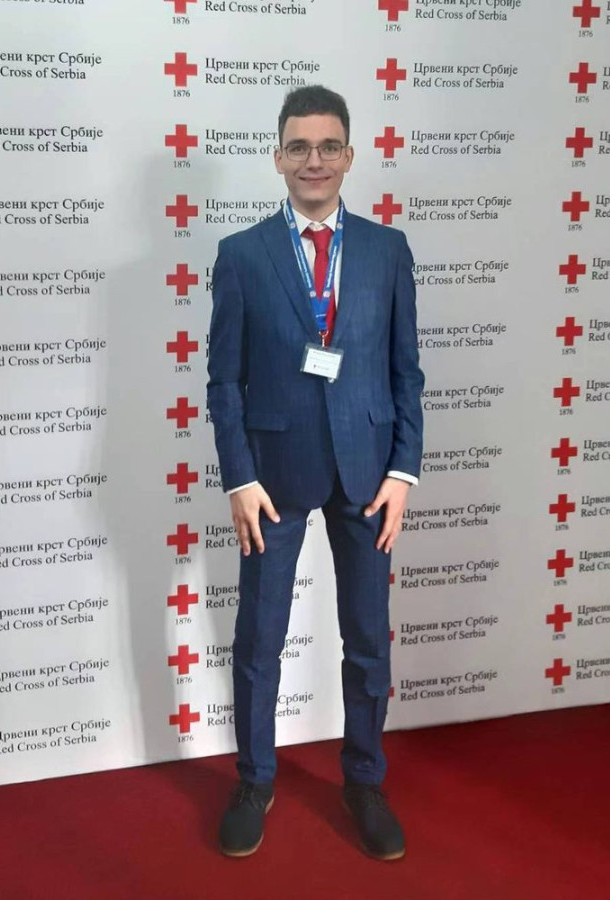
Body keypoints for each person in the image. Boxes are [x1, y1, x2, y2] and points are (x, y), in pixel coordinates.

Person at [207, 85, 424, 861]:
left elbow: (406, 372)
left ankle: (364, 781)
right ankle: (255, 781)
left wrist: (404, 470)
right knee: (259, 639)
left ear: (350, 156)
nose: (314, 160)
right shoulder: (242, 255)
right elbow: (224, 381)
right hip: (272, 478)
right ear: (278, 157)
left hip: (369, 476)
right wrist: (239, 477)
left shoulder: (387, 251)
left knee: (367, 640)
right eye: (299, 146)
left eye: (329, 146)